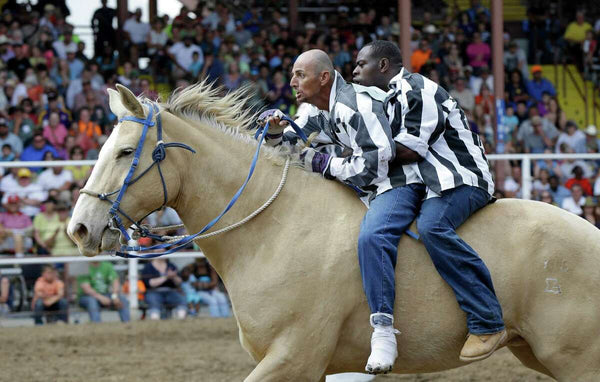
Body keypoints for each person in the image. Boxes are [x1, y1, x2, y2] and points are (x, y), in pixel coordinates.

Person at [262, 49, 424, 374]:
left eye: (299, 75)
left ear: (323, 78)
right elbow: (286, 150)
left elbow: (373, 165)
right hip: (364, 187)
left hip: (397, 183)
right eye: (293, 75)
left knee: (371, 237)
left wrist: (323, 163)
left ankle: (382, 331)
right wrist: (274, 131)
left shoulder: (356, 103)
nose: (291, 82)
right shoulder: (311, 110)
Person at [352, 40, 505, 366]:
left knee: (433, 227)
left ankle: (487, 320)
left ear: (382, 65)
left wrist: (356, 159)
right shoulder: (392, 100)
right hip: (435, 185)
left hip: (461, 179)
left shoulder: (415, 88)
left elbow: (409, 150)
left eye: (361, 63)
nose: (354, 70)